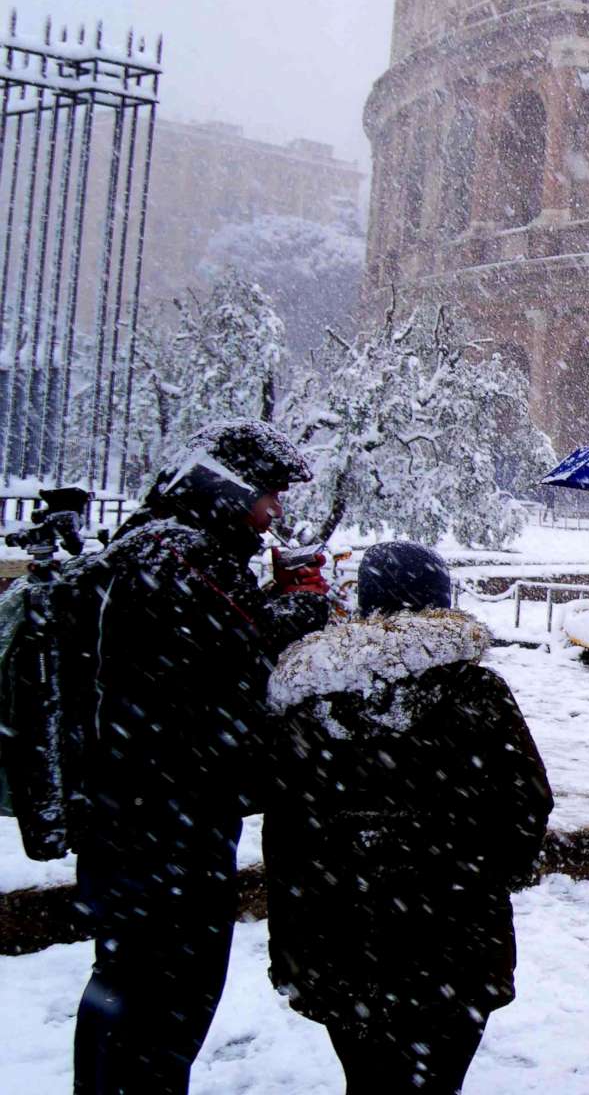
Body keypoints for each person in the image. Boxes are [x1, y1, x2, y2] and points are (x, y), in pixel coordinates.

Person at [69, 421, 332, 1094]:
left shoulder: (151, 547)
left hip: (135, 813)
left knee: (126, 988)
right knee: (164, 1003)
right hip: (167, 821)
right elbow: (239, 656)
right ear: (229, 486)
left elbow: (204, 652)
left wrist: (272, 602)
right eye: (269, 492)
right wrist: (301, 605)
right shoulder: (178, 557)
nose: (275, 510)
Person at [264, 542, 552, 1095]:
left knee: (368, 1079)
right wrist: (487, 878)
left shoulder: (309, 703)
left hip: (341, 937)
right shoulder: (476, 692)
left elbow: (287, 832)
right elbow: (526, 802)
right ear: (440, 602)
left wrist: (297, 941)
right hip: (453, 936)